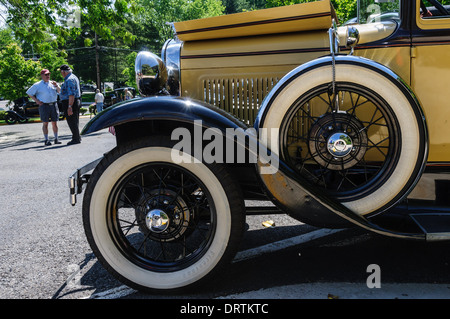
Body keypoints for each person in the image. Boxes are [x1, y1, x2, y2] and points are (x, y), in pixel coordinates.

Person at [26, 69, 61, 146]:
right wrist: (36, 101)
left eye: (48, 74)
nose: (47, 76)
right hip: (44, 105)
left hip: (53, 104)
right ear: (42, 76)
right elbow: (29, 93)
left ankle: (56, 139)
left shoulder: (53, 83)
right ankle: (46, 140)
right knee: (45, 123)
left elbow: (60, 92)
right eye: (46, 75)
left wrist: (57, 86)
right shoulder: (37, 85)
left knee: (54, 123)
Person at [59, 64, 81, 145]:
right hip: (75, 100)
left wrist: (69, 106)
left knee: (71, 121)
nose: (61, 74)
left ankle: (76, 138)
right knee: (75, 120)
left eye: (61, 72)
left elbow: (71, 94)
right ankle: (77, 136)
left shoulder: (69, 80)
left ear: (63, 72)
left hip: (71, 101)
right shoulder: (74, 77)